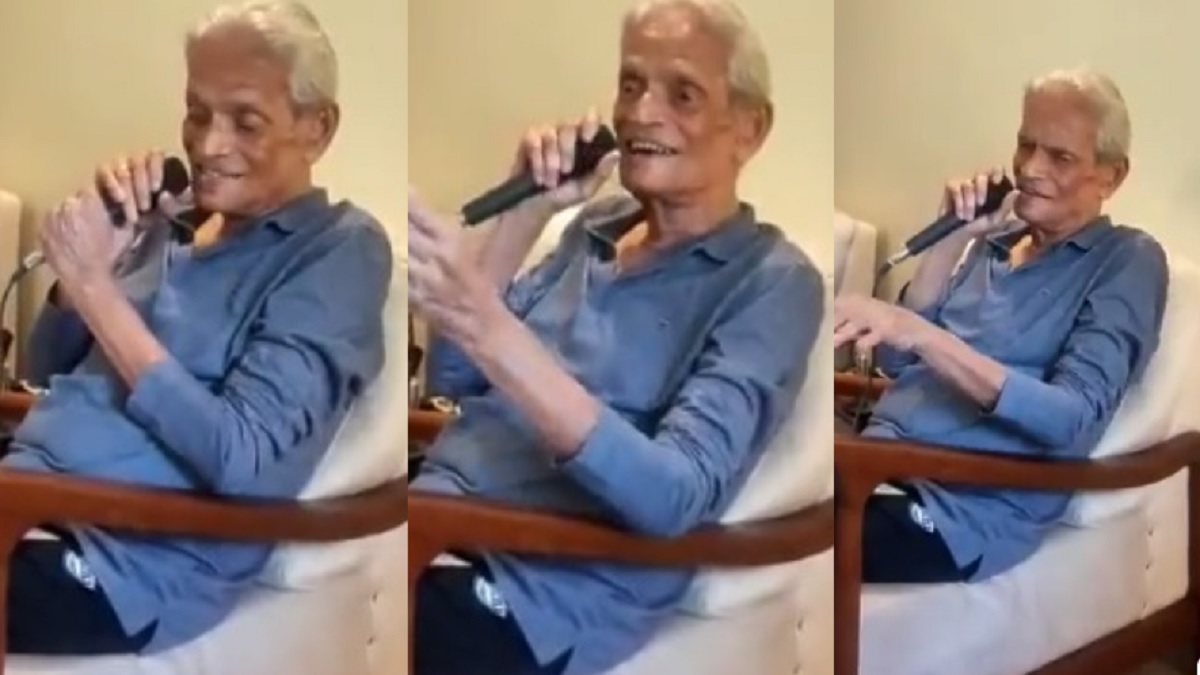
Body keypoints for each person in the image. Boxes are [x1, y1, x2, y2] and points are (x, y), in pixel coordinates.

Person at [406, 1, 824, 673]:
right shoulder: (594, 227)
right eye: (631, 85)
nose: (640, 113)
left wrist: (491, 327)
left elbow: (674, 495)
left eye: (682, 93)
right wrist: (523, 213)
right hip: (433, 523)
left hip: (535, 584)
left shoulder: (775, 283)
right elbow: (451, 375)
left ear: (749, 128)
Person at [5, 0, 391, 655]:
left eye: (246, 121)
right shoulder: (170, 226)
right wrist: (87, 272)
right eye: (197, 112)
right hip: (26, 502)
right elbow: (45, 377)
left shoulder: (340, 251)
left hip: (122, 561)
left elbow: (245, 460)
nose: (209, 145)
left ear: (317, 128)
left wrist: (100, 294)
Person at [833, 68, 1169, 584]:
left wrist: (922, 334)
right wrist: (952, 236)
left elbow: (1070, 419)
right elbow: (894, 361)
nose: (1030, 169)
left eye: (1060, 157)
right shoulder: (993, 243)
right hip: (874, 462)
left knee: (795, 533)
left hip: (957, 507)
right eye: (1025, 145)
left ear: (1111, 176)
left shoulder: (1128, 260)